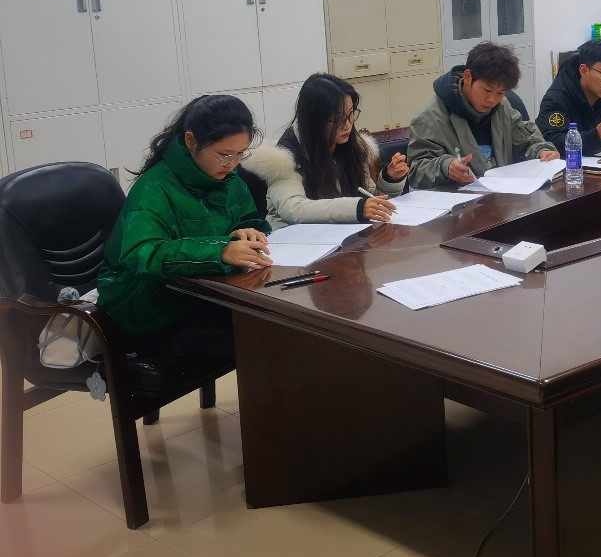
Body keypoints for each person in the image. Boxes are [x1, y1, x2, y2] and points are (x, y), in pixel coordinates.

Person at [96, 95, 272, 358]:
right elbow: (141, 254)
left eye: (240, 154)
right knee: (261, 335)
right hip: (148, 307)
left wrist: (246, 231)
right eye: (224, 155)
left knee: (272, 326)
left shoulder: (228, 178)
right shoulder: (154, 188)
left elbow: (245, 218)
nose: (232, 164)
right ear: (191, 141)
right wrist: (220, 251)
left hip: (202, 295)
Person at [245, 73, 407, 228]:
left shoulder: (350, 146)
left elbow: (370, 199)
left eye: (350, 114)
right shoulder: (284, 158)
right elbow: (294, 209)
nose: (348, 125)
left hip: (342, 236)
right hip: (294, 239)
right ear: (315, 119)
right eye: (338, 118)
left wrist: (390, 179)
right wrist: (357, 208)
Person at [408, 41, 558, 186]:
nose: (492, 100)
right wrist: (445, 167)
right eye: (487, 90)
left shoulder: (503, 107)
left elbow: (526, 141)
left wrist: (542, 151)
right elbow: (416, 170)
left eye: (500, 93)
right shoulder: (431, 117)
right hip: (460, 199)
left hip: (502, 194)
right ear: (468, 77)